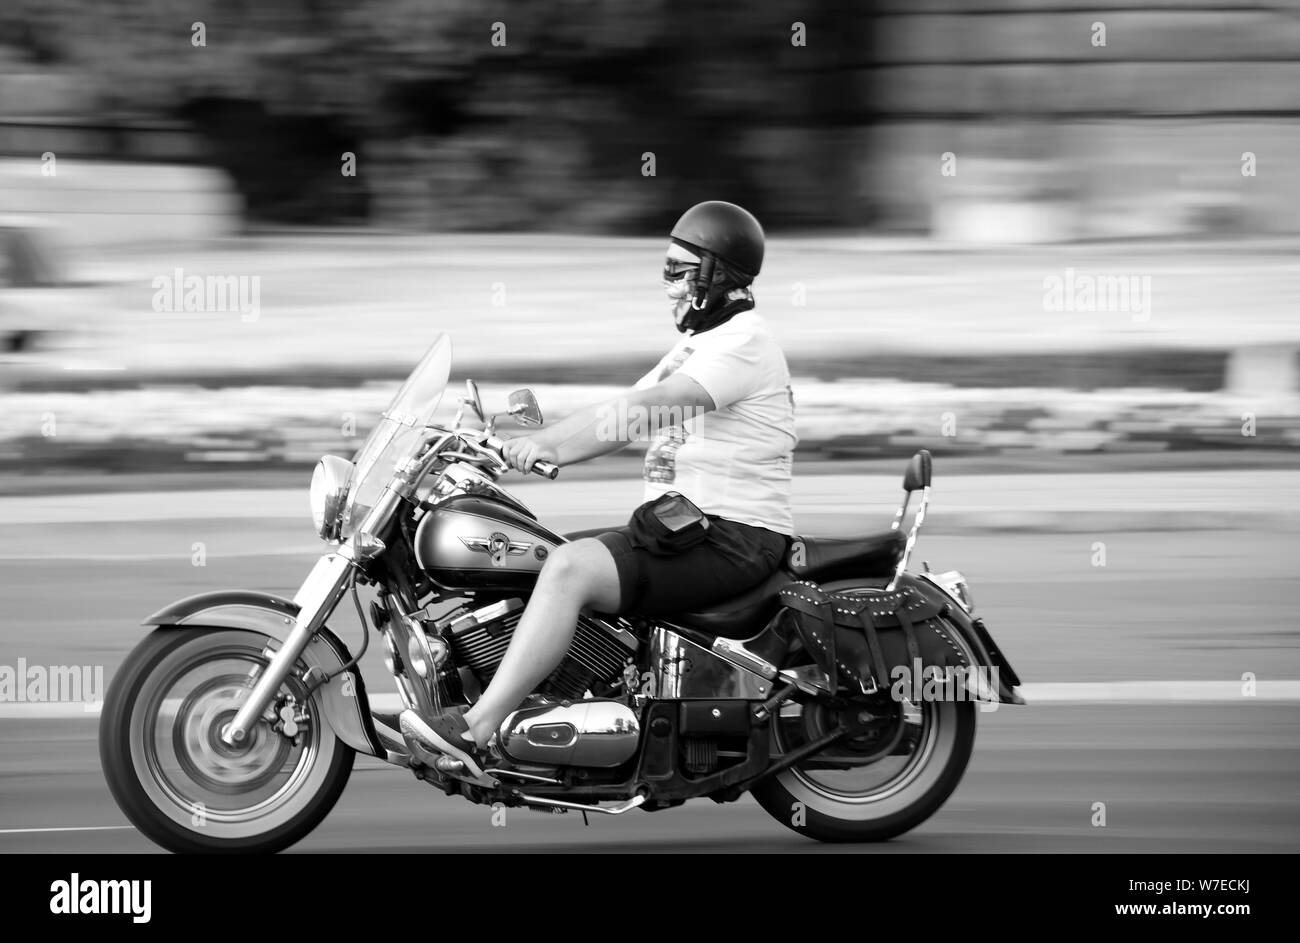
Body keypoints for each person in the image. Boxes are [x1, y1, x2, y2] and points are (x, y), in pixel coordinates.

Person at [401, 201, 797, 777]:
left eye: (676, 270)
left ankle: (474, 730)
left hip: (734, 537)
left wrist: (553, 449)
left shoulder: (744, 343)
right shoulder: (700, 347)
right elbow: (611, 413)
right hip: (688, 528)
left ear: (714, 274)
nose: (666, 286)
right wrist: (503, 446)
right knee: (534, 559)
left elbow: (643, 411)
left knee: (570, 570)